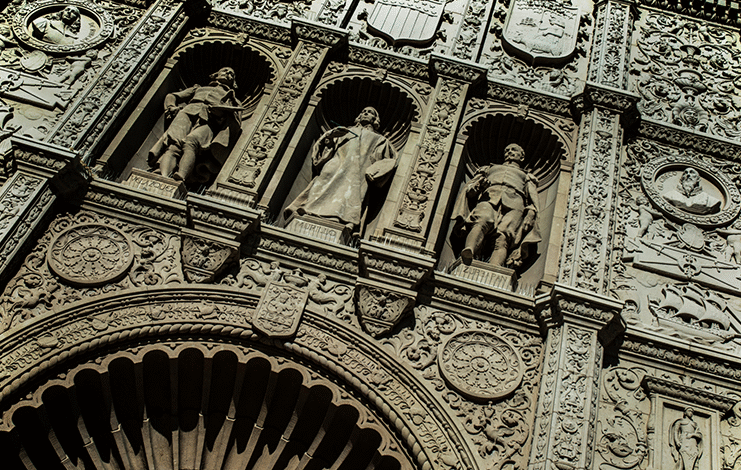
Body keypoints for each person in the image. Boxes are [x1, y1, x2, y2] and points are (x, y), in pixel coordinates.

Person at [284, 107, 397, 230]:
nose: (365, 113)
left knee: (349, 195)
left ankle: (342, 220)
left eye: (370, 113)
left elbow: (388, 160)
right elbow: (325, 149)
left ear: (375, 119)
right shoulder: (344, 131)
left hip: (357, 173)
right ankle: (309, 210)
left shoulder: (380, 139)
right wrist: (330, 136)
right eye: (363, 111)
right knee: (320, 185)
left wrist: (375, 170)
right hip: (335, 165)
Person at [451, 143, 540, 267]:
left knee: (504, 236)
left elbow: (533, 201)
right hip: (489, 196)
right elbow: (470, 190)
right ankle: (469, 250)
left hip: (516, 204)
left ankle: (495, 267)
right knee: (481, 220)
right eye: (507, 150)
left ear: (522, 156)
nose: (509, 152)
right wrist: (478, 187)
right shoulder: (489, 169)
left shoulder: (527, 177)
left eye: (514, 150)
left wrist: (531, 213)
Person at [148, 67, 242, 182]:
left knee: (192, 142)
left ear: (234, 82)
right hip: (187, 112)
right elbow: (172, 96)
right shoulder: (199, 88)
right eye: (225, 71)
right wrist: (171, 107)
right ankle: (164, 178)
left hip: (210, 121)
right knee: (174, 145)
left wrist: (221, 115)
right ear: (216, 74)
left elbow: (235, 124)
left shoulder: (233, 100)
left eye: (231, 74)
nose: (228, 74)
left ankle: (181, 177)